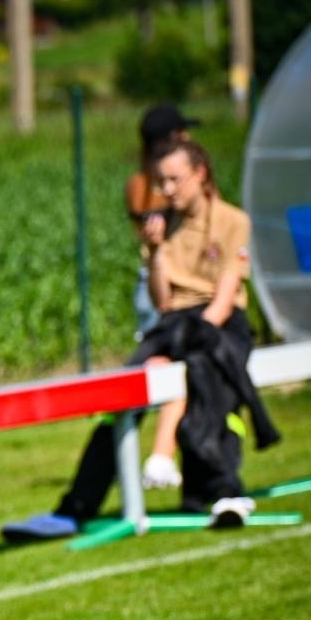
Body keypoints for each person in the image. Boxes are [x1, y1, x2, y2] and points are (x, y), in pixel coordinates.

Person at [4, 139, 273, 541]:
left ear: (200, 174)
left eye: (174, 180)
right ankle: (74, 508)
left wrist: (192, 339)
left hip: (219, 322)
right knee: (123, 392)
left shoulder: (233, 221)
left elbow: (222, 301)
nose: (166, 190)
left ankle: (221, 491)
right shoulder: (162, 224)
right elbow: (164, 303)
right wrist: (156, 250)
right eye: (160, 181)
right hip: (174, 321)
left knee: (208, 376)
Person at [127, 103, 199, 490]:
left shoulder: (147, 181)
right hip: (160, 287)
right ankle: (159, 458)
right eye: (182, 137)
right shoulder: (147, 185)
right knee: (166, 374)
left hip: (164, 285)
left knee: (169, 374)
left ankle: (166, 457)